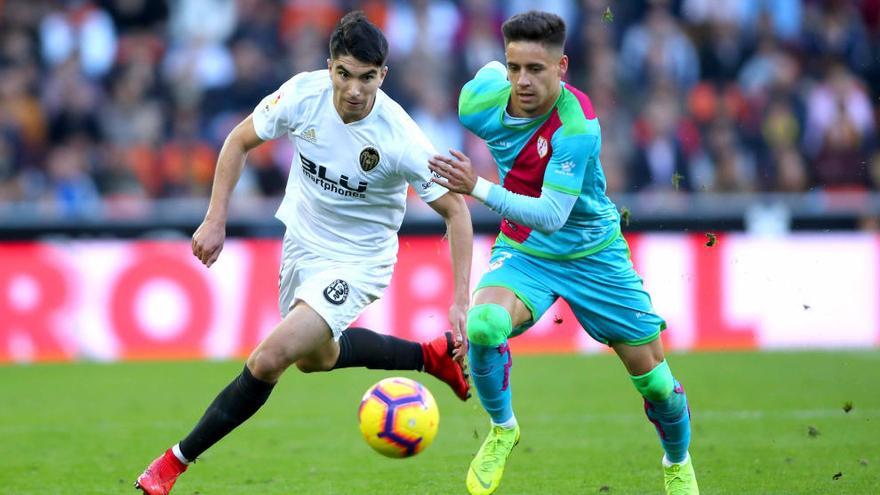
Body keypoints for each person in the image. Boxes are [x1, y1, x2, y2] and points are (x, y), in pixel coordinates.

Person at [135, 12, 473, 495]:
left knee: (269, 357)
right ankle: (430, 356)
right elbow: (238, 141)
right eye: (344, 74)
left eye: (367, 77)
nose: (354, 89)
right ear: (330, 65)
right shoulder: (301, 95)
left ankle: (173, 462)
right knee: (317, 357)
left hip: (359, 261)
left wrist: (460, 299)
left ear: (383, 76)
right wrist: (215, 217)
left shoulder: (400, 137)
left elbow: (456, 212)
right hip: (302, 245)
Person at [429, 11, 698, 495]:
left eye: (536, 69)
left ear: (563, 67)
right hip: (527, 250)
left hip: (595, 254)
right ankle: (503, 429)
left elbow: (552, 213)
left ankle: (677, 461)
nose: (523, 81)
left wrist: (477, 187)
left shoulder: (577, 124)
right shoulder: (479, 103)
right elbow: (486, 77)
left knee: (656, 384)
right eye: (514, 68)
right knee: (485, 325)